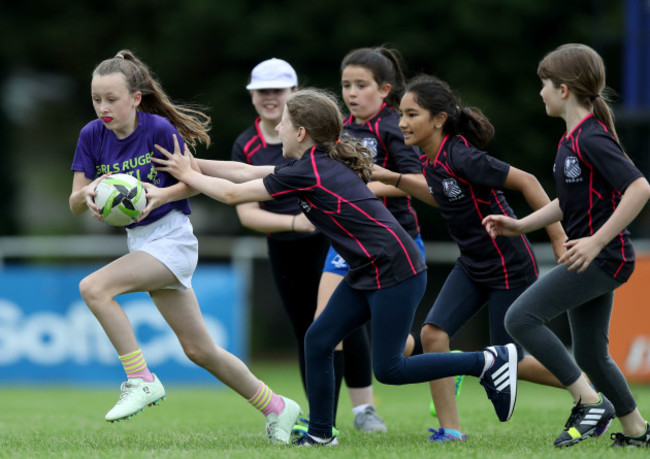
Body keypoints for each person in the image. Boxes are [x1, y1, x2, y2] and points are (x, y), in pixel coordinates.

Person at [152, 87, 520, 447]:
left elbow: (233, 193)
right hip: (369, 270)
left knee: (389, 370)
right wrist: (190, 166)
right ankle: (321, 434)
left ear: (301, 133)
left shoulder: (310, 169)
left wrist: (188, 173)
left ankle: (486, 360)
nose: (276, 129)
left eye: (282, 123)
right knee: (319, 339)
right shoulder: (312, 162)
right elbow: (243, 171)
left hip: (396, 271)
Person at [68, 50, 301, 444]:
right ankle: (277, 406)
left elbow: (193, 179)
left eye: (112, 99)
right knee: (199, 349)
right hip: (142, 242)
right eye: (96, 99)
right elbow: (74, 202)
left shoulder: (157, 129)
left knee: (94, 287)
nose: (103, 108)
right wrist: (90, 190)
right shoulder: (91, 135)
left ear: (136, 98)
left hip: (173, 238)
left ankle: (141, 379)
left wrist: (161, 195)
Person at [371, 74, 568, 442]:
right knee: (432, 334)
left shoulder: (462, 154)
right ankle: (450, 431)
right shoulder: (430, 158)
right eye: (400, 114)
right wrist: (390, 179)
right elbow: (439, 194)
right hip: (473, 265)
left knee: (512, 360)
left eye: (411, 114)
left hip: (509, 265)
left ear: (439, 119)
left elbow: (528, 181)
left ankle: (592, 393)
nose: (401, 123)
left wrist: (558, 240)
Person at [483, 43, 650, 448]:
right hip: (593, 257)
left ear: (563, 90)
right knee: (591, 355)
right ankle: (637, 432)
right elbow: (569, 202)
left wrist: (596, 240)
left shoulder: (592, 137)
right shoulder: (570, 141)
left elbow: (639, 187)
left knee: (520, 318)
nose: (539, 93)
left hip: (602, 257)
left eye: (544, 84)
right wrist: (521, 224)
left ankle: (589, 402)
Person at [310, 46, 426, 433]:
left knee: (391, 349)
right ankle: (326, 422)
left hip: (395, 244)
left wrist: (367, 190)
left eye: (361, 85)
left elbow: (417, 186)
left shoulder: (395, 128)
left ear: (385, 89)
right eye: (346, 85)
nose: (352, 93)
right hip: (347, 245)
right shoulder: (339, 129)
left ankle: (432, 356)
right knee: (323, 330)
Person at [230, 58, 330, 401]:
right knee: (306, 331)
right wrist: (295, 223)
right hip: (284, 248)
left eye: (277, 90)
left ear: (295, 93)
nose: (269, 97)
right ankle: (322, 417)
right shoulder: (246, 144)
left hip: (328, 242)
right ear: (252, 96)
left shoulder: (313, 136)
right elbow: (247, 211)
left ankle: (363, 409)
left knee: (345, 327)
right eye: (261, 91)